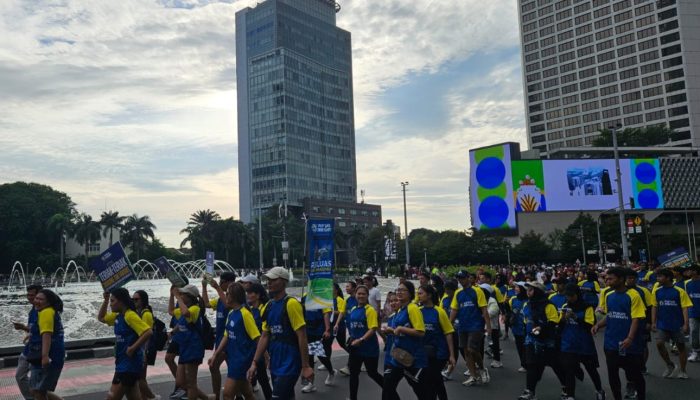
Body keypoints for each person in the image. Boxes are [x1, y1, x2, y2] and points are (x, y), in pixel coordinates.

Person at [247, 267, 313, 400]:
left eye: (273, 279)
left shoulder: (291, 304)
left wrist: (305, 366)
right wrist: (255, 362)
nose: (269, 283)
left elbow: (302, 335)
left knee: (277, 396)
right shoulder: (269, 306)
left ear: (284, 281)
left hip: (291, 361)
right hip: (275, 360)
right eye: (268, 280)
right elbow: (265, 335)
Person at [593, 267, 646, 400]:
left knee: (635, 375)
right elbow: (610, 315)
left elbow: (636, 318)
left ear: (621, 279)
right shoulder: (609, 295)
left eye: (611, 278)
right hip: (611, 343)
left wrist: (630, 338)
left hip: (629, 345)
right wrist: (598, 325)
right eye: (606, 278)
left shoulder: (633, 295)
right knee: (613, 374)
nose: (607, 281)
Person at [98, 288, 153, 400]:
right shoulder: (117, 316)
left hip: (129, 364)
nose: (110, 305)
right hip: (122, 362)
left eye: (112, 301)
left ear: (121, 301)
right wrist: (106, 299)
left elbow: (148, 332)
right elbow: (101, 318)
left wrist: (133, 348)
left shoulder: (130, 315)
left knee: (111, 397)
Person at [208, 283, 260, 400]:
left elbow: (257, 338)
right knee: (247, 393)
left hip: (242, 360)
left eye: (228, 294)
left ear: (234, 296)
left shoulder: (245, 314)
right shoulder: (231, 313)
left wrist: (261, 360)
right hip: (233, 358)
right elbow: (226, 336)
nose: (225, 296)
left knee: (227, 394)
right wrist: (215, 355)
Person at [518, 281, 565, 400]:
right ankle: (530, 391)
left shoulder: (549, 305)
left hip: (547, 341)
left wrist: (542, 328)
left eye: (531, 290)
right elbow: (526, 321)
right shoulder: (526, 304)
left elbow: (554, 321)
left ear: (538, 291)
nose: (528, 292)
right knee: (531, 365)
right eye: (527, 290)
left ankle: (566, 387)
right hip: (531, 339)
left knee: (555, 365)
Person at [382, 280, 428, 400]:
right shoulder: (400, 310)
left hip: (413, 358)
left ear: (410, 293)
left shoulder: (412, 308)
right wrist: (391, 330)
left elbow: (421, 332)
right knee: (387, 386)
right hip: (399, 357)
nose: (399, 292)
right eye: (398, 290)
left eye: (403, 290)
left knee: (421, 391)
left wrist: (401, 329)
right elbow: (399, 331)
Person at [559, 284, 604, 400]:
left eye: (571, 296)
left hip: (584, 344)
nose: (569, 298)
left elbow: (589, 325)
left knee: (591, 369)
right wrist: (563, 319)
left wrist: (575, 317)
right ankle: (570, 396)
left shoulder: (587, 307)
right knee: (569, 370)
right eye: (567, 296)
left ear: (577, 295)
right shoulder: (565, 306)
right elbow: (560, 325)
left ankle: (599, 390)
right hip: (568, 343)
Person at [168, 284, 211, 400]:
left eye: (183, 294)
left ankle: (204, 398)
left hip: (194, 348)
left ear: (190, 296)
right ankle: (206, 398)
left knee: (191, 383)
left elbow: (186, 313)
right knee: (181, 383)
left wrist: (177, 296)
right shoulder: (183, 309)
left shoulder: (195, 309)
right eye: (180, 294)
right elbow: (171, 311)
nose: (181, 296)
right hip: (184, 348)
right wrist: (171, 295)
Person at [450, 270, 491, 386]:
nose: (460, 280)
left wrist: (488, 327)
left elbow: (484, 310)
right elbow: (454, 310)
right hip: (463, 326)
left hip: (476, 325)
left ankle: (482, 368)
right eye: (459, 278)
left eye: (462, 278)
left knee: (472, 349)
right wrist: (448, 325)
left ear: (468, 278)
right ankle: (473, 376)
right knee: (466, 351)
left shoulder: (477, 291)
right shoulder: (458, 293)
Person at [650, 268, 693, 379]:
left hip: (677, 324)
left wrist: (686, 324)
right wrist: (653, 322)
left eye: (660, 276)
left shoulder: (679, 291)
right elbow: (654, 307)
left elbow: (685, 308)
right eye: (657, 276)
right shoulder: (657, 291)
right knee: (659, 343)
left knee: (681, 347)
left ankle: (683, 371)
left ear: (668, 278)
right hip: (662, 323)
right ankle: (670, 365)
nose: (657, 279)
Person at [202, 272, 237, 400]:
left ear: (229, 282)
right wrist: (204, 287)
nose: (219, 283)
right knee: (214, 367)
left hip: (231, 341)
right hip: (220, 340)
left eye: (221, 281)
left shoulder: (236, 297)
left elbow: (228, 304)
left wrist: (217, 288)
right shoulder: (219, 300)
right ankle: (217, 395)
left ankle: (237, 394)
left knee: (234, 371)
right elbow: (206, 304)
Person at [346, 285, 384, 400]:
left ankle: (389, 390)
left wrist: (361, 339)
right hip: (355, 349)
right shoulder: (353, 309)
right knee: (353, 374)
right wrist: (351, 338)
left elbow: (373, 328)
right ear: (355, 294)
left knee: (372, 373)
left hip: (369, 349)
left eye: (363, 294)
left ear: (367, 296)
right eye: (359, 293)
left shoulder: (370, 310)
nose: (361, 296)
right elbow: (352, 327)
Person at [418, 284, 455, 400]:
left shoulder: (439, 312)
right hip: (423, 353)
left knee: (430, 379)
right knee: (436, 379)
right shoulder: (417, 311)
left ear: (429, 295)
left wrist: (452, 355)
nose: (418, 296)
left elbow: (448, 333)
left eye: (420, 293)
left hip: (439, 353)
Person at [27, 289, 65, 400]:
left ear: (48, 302)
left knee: (38, 392)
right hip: (52, 355)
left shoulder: (46, 312)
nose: (36, 301)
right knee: (36, 390)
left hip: (48, 357)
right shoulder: (48, 311)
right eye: (36, 298)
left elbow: (46, 335)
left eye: (40, 299)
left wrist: (45, 357)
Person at [300, 291, 335, 392]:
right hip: (307, 330)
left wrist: (327, 329)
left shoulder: (321, 296)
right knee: (309, 356)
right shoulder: (305, 297)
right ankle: (311, 383)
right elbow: (301, 312)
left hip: (319, 330)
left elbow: (326, 314)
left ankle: (331, 371)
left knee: (321, 356)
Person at [14, 284, 42, 400]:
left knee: (38, 386)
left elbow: (43, 331)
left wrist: (22, 327)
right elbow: (33, 329)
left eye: (33, 295)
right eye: (28, 295)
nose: (30, 297)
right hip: (29, 347)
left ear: (40, 295)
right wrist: (27, 335)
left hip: (38, 350)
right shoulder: (33, 309)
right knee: (20, 376)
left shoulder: (42, 311)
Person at [245, 283, 272, 400]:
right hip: (252, 351)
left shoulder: (264, 309)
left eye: (251, 293)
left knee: (263, 379)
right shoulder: (251, 310)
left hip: (262, 350)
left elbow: (265, 334)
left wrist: (266, 356)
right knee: (253, 379)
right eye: (248, 292)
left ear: (258, 295)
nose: (248, 295)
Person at [133, 290, 159, 400]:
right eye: (132, 299)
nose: (134, 301)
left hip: (144, 350)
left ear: (143, 300)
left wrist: (143, 353)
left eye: (136, 299)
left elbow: (147, 335)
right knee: (140, 378)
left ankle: (152, 397)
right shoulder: (137, 312)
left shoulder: (146, 314)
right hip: (140, 350)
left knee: (140, 378)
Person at [336, 280, 358, 376]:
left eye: (348, 286)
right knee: (355, 348)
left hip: (357, 328)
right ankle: (361, 362)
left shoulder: (358, 299)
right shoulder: (347, 300)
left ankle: (349, 367)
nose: (346, 288)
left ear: (354, 288)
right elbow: (342, 312)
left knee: (351, 347)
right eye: (346, 287)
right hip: (350, 327)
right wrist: (337, 323)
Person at [479, 283, 502, 368]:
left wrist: (480, 314)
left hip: (492, 326)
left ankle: (497, 360)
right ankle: (479, 362)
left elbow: (491, 313)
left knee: (494, 344)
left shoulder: (492, 301)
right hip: (481, 326)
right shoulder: (480, 299)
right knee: (480, 344)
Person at [509, 282, 528, 373]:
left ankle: (528, 364)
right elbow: (510, 311)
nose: (515, 288)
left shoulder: (528, 301)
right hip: (516, 328)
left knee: (527, 348)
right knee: (520, 347)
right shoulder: (513, 299)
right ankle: (524, 364)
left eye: (517, 287)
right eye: (515, 287)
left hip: (526, 329)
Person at [686, 265, 700, 362]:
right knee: (693, 332)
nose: (687, 272)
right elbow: (688, 298)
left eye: (689, 270)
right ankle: (695, 352)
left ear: (695, 271)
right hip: (693, 312)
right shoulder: (688, 284)